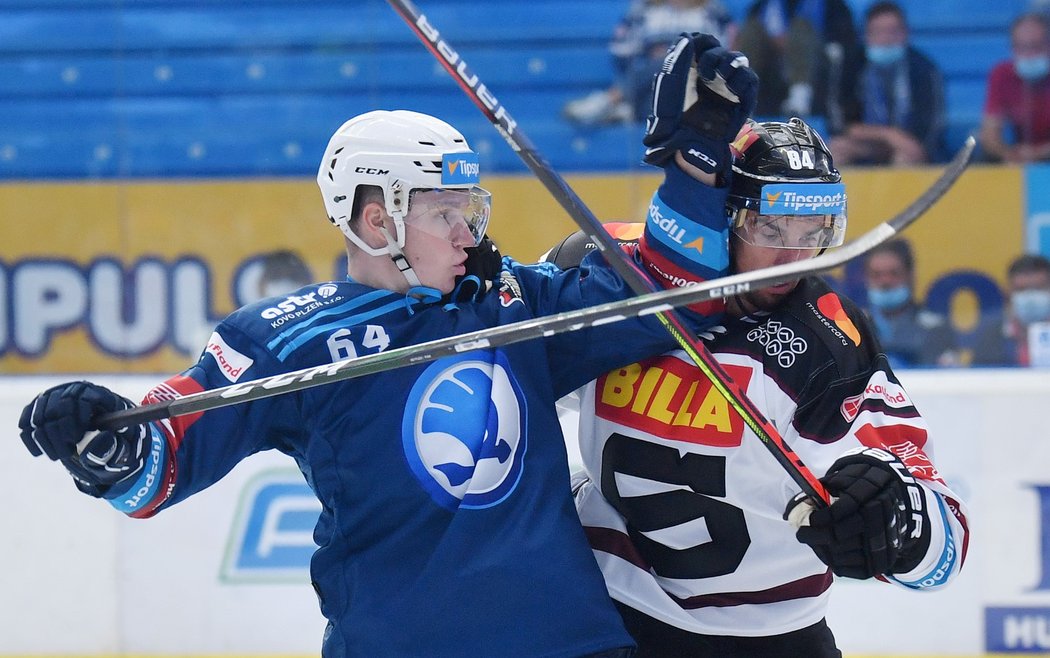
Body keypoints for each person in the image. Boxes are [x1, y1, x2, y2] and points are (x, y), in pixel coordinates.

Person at [16, 33, 760, 657]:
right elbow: (160, 465)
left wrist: (694, 169)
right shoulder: (288, 340)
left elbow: (668, 298)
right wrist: (99, 433)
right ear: (377, 224)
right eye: (444, 214)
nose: (470, 233)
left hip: (571, 642)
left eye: (471, 210)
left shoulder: (515, 303)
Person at [548, 116, 969, 656]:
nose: (793, 257)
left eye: (814, 232)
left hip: (767, 635)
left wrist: (892, 519)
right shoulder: (615, 268)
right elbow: (510, 384)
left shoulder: (826, 339)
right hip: (602, 606)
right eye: (770, 229)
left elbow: (945, 545)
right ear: (722, 216)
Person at [563, 0, 734, 125]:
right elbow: (622, 52)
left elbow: (726, 55)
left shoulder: (714, 12)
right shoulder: (642, 11)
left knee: (673, 57)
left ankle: (611, 102)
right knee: (665, 65)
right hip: (652, 81)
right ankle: (631, 109)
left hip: (697, 80)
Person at [829, 1, 946, 165]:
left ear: (905, 33)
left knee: (906, 157)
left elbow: (930, 129)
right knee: (836, 151)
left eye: (892, 32)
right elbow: (841, 125)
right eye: (878, 32)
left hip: (908, 144)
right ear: (865, 36)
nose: (885, 39)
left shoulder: (924, 70)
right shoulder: (850, 66)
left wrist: (901, 141)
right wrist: (889, 135)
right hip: (866, 143)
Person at [733, 0, 862, 122]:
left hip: (816, 73)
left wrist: (793, 44)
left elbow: (844, 46)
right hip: (772, 73)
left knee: (801, 27)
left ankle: (799, 98)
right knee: (752, 29)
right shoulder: (761, 7)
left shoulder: (834, 7)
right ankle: (744, 96)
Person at [862, 239, 960, 367]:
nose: (885, 282)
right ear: (866, 279)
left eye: (894, 273)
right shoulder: (855, 327)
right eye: (877, 275)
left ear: (910, 276)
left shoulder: (936, 329)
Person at [979, 13, 1050, 163]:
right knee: (984, 158)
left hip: (1045, 152)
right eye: (1021, 47)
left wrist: (1038, 153)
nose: (1029, 54)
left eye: (1036, 46)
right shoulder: (1002, 74)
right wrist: (1007, 153)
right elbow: (990, 131)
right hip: (1020, 154)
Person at [972, 253, 1050, 365]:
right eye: (1021, 290)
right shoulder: (990, 336)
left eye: (1038, 288)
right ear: (1009, 293)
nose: (1030, 298)